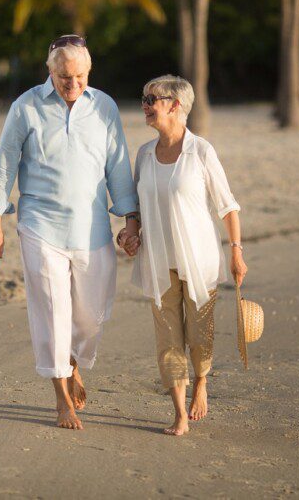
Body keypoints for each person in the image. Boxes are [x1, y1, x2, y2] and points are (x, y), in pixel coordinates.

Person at [0, 35, 139, 430]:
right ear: (49, 71)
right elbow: (4, 165)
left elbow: (118, 166)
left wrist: (130, 219)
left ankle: (73, 363)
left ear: (90, 71)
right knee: (52, 311)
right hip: (39, 226)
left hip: (93, 228)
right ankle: (61, 398)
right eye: (65, 76)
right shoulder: (26, 107)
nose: (73, 85)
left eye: (80, 76)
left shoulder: (104, 107)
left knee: (90, 317)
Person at [118, 75, 248, 436]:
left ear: (175, 106)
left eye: (151, 99)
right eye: (143, 98)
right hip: (158, 261)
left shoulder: (201, 151)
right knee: (168, 342)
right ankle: (178, 413)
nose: (144, 105)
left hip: (200, 260)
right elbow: (136, 210)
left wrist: (236, 252)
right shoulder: (144, 154)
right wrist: (130, 233)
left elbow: (228, 207)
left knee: (199, 338)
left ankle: (202, 380)